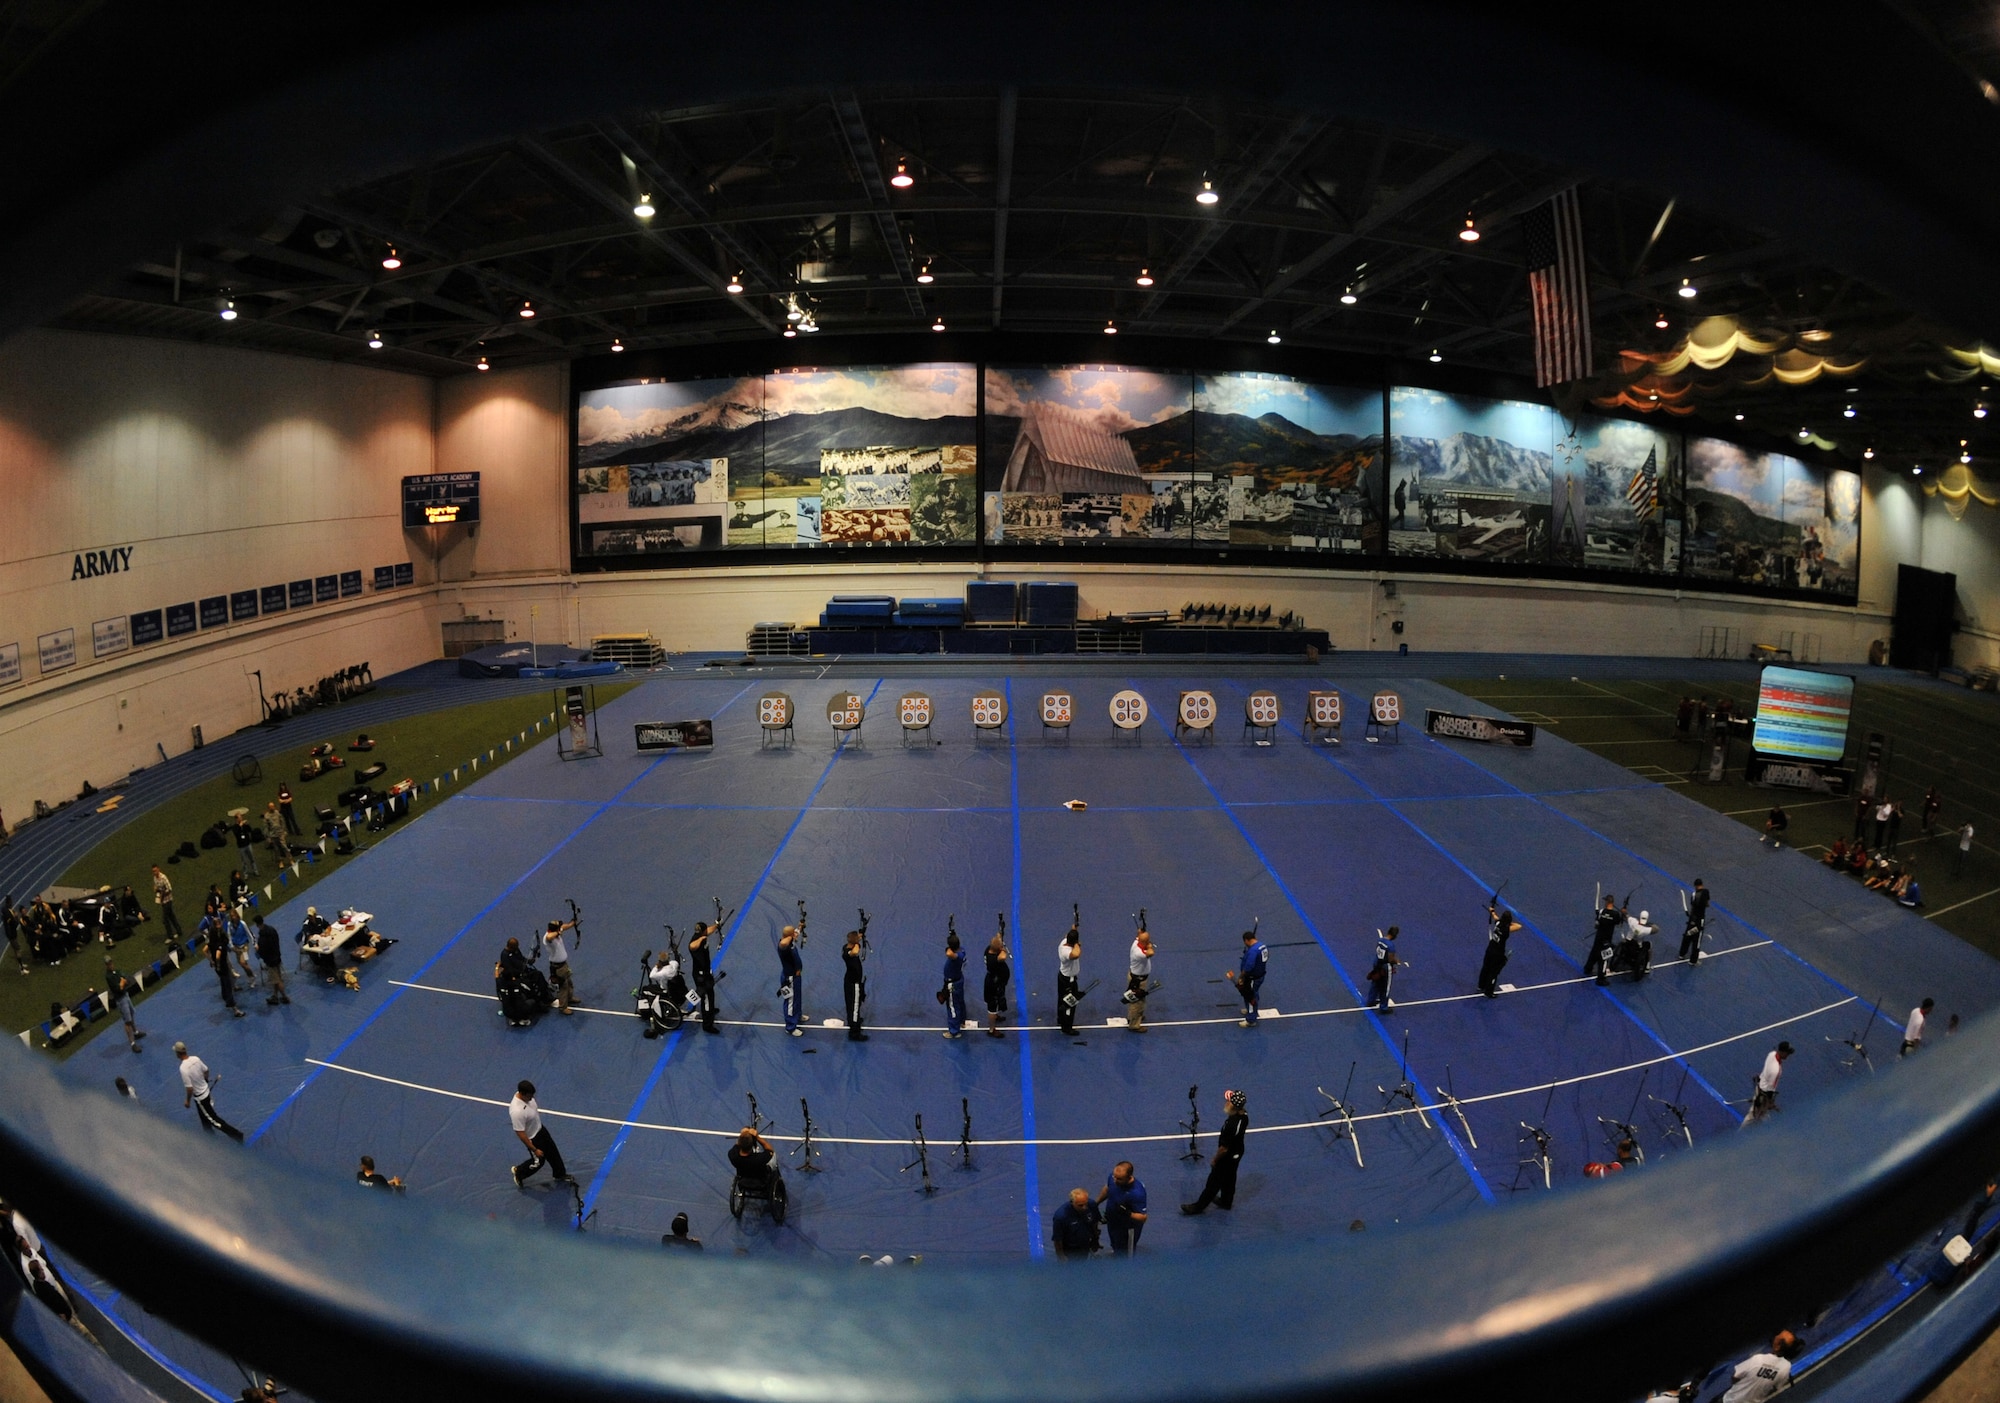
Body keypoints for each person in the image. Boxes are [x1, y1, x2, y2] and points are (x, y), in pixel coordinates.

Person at [1182, 1090, 1249, 1214]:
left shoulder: (1232, 1125)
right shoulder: (1244, 1116)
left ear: (1233, 1106)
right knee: (1230, 1177)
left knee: (1214, 1181)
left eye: (1228, 1101)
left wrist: (1215, 1159)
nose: (1226, 1102)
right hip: (1237, 1152)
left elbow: (1224, 1149)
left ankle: (1198, 1207)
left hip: (1227, 1156)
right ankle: (1226, 1201)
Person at [175, 1041, 244, 1140]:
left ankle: (237, 1135)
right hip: (206, 1092)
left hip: (200, 1098)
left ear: (177, 1053)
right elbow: (206, 1071)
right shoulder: (195, 1059)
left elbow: (189, 1088)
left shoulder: (183, 1068)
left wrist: (187, 1101)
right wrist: (205, 1080)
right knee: (204, 1117)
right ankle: (209, 1135)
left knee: (213, 1120)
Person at [509, 1080, 572, 1187]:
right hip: (533, 1139)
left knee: (553, 1152)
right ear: (523, 1094)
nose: (532, 1098)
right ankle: (519, 1172)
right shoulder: (517, 1111)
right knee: (538, 1162)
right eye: (529, 1096)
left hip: (541, 1130)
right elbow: (520, 1133)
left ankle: (559, 1174)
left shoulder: (527, 1097)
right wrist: (534, 1149)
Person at [1721, 1331, 1800, 1403]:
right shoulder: (1786, 1367)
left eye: (1778, 1336)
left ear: (1777, 1347)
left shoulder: (1758, 1359)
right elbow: (1775, 1387)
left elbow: (1735, 1376)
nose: (1776, 1336)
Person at [1097, 1160, 1148, 1255]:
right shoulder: (1114, 1177)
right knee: (1115, 1244)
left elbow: (1143, 1218)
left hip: (1127, 1227)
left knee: (1127, 1253)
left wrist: (1128, 1213)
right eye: (1114, 1177)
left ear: (1129, 1178)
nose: (1115, 1180)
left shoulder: (1137, 1193)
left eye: (1119, 1179)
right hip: (1112, 1221)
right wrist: (1096, 1203)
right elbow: (1107, 1189)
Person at [1229, 928, 1269, 1025]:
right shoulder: (1262, 946)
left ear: (1246, 940)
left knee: (1250, 997)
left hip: (1252, 977)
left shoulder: (1253, 951)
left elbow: (1249, 966)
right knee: (1254, 992)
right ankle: (1250, 1009)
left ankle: (1251, 1019)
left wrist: (1241, 977)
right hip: (1260, 975)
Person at [104, 959, 144, 1052]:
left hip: (125, 995)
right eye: (109, 964)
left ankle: (136, 1032)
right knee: (127, 1021)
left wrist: (123, 983)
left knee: (131, 1013)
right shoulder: (109, 976)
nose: (111, 965)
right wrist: (122, 983)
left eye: (111, 963)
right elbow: (118, 988)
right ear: (106, 965)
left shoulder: (116, 971)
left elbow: (126, 980)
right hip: (121, 999)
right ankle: (132, 1043)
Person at [1477, 903, 1516, 997]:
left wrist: (1492, 911)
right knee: (1494, 972)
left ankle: (1481, 985)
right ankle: (1489, 992)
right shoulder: (1507, 929)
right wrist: (1508, 923)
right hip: (1498, 953)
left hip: (1490, 948)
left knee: (1485, 967)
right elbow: (1519, 926)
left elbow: (1495, 916)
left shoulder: (1498, 922)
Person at [1051, 1188, 1102, 1259]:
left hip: (1085, 1244)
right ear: (1072, 1202)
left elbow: (1094, 1223)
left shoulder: (1091, 1205)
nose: (1084, 1208)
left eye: (1086, 1204)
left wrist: (1095, 1240)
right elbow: (1058, 1239)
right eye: (1080, 1205)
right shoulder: (1061, 1217)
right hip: (1070, 1249)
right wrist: (1061, 1257)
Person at [541, 916, 577, 1015]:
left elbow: (563, 927)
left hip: (563, 964)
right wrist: (558, 932)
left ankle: (569, 998)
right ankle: (563, 1007)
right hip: (558, 966)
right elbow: (549, 937)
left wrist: (571, 924)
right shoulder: (548, 938)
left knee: (569, 982)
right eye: (558, 927)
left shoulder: (556, 932)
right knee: (563, 986)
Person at [1750, 1042, 1794, 1122]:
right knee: (1757, 1117)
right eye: (1787, 1053)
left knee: (1755, 1114)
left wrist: (1760, 1077)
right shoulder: (1776, 1070)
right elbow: (1770, 1089)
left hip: (1760, 1085)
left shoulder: (1772, 1054)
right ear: (1782, 1052)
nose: (1788, 1055)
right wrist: (1770, 1103)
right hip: (1763, 1095)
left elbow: (1766, 1071)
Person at [689, 921, 718, 1034]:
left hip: (706, 973)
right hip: (700, 975)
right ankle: (707, 1024)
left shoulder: (703, 934)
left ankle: (710, 1010)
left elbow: (709, 930)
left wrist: (717, 925)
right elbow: (691, 946)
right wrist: (701, 939)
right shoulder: (695, 940)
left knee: (710, 994)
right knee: (706, 998)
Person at [1125, 927, 1155, 1031]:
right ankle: (1134, 1025)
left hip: (1137, 977)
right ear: (1145, 942)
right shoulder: (1139, 953)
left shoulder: (1136, 942)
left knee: (1137, 999)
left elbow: (1139, 935)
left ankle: (1134, 1017)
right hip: (1138, 981)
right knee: (1137, 1002)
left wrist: (1141, 932)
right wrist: (1149, 946)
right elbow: (1151, 953)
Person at [1586, 895, 1621, 984]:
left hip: (1599, 937)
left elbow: (1597, 925)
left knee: (1594, 952)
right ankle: (1600, 979)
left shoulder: (1602, 911)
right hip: (1606, 940)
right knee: (1604, 958)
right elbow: (1619, 922)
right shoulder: (1616, 914)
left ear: (1607, 902)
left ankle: (1587, 968)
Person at [982, 931, 1010, 1038]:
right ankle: (991, 1029)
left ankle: (995, 1016)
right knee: (992, 1007)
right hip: (993, 984)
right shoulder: (994, 959)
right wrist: (1002, 949)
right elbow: (1003, 956)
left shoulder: (988, 949)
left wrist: (999, 936)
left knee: (996, 1002)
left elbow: (995, 944)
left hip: (994, 981)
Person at [209, 933, 245, 1017]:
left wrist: (211, 961)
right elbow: (218, 956)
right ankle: (235, 1010)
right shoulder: (220, 945)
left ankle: (226, 1000)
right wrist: (217, 964)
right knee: (228, 986)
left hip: (219, 969)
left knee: (224, 984)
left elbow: (205, 950)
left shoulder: (212, 944)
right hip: (223, 968)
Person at [777, 924, 803, 1035]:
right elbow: (783, 942)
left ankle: (797, 1015)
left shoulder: (791, 941)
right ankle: (790, 1027)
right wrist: (791, 936)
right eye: (793, 934)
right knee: (790, 1001)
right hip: (789, 977)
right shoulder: (783, 946)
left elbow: (796, 932)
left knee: (797, 998)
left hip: (795, 977)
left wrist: (799, 927)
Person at [1056, 923, 1082, 1037]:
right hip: (1068, 981)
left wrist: (1074, 929)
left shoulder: (1063, 942)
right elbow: (1076, 954)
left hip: (1063, 977)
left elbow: (1069, 934)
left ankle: (1061, 1019)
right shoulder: (1066, 952)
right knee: (1070, 1003)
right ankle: (1067, 1027)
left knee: (1061, 1000)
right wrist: (1077, 943)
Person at [256, 919, 290, 1005]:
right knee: (276, 978)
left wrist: (258, 950)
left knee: (277, 980)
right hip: (277, 957)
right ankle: (275, 996)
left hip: (270, 961)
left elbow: (263, 951)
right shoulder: (272, 929)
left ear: (257, 925)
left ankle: (284, 997)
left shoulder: (262, 937)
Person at [940, 931, 967, 1038]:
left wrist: (949, 946)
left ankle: (954, 1031)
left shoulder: (955, 956)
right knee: (960, 1002)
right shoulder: (962, 950)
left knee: (952, 1006)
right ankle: (961, 1021)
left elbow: (948, 953)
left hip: (953, 984)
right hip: (959, 980)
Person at [842, 930, 868, 1041]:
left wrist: (859, 936)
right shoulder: (848, 953)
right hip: (853, 984)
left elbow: (855, 945)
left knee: (854, 1004)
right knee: (854, 1006)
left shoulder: (846, 946)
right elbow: (855, 951)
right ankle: (854, 1032)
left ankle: (855, 1020)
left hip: (852, 981)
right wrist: (857, 941)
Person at [1366, 925, 1400, 1010]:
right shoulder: (1391, 946)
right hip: (1385, 966)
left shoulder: (1380, 940)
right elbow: (1390, 959)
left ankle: (1371, 1000)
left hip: (1377, 963)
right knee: (1385, 987)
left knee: (1375, 983)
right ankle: (1384, 1007)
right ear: (1394, 935)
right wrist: (1396, 962)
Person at [226, 907, 258, 989]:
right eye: (231, 916)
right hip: (236, 947)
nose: (233, 917)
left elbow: (250, 934)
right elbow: (229, 935)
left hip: (244, 945)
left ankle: (252, 977)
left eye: (234, 915)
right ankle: (250, 975)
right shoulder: (230, 925)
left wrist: (255, 944)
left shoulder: (242, 923)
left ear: (237, 915)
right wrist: (231, 946)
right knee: (242, 964)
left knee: (243, 963)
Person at [1680, 879, 1710, 964]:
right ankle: (1693, 961)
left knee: (1688, 935)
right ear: (1702, 884)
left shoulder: (1694, 894)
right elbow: (1707, 904)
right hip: (1699, 920)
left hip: (1692, 919)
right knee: (1697, 940)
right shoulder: (1706, 892)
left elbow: (1693, 906)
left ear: (1695, 886)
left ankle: (1682, 954)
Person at [151, 865, 183, 944]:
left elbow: (169, 889)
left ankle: (170, 936)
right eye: (153, 871)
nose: (154, 872)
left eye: (155, 870)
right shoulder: (155, 878)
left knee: (165, 919)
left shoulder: (163, 878)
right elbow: (157, 888)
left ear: (158, 869)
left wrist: (162, 894)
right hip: (162, 901)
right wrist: (156, 891)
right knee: (171, 916)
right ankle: (179, 931)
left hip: (168, 900)